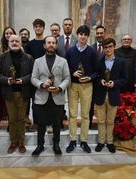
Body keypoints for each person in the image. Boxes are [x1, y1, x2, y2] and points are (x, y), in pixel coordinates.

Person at [31, 35, 71, 156]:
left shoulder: (63, 61)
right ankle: (40, 145)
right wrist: (42, 84)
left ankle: (56, 145)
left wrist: (60, 88)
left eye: (53, 43)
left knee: (57, 123)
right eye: (49, 42)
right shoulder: (37, 61)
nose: (51, 45)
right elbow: (33, 78)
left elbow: (67, 78)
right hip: (41, 96)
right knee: (41, 123)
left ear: (56, 45)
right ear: (44, 45)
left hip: (57, 97)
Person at [0, 35, 34, 154]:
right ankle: (13, 141)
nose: (15, 43)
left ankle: (21, 142)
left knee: (21, 119)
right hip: (9, 93)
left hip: (23, 92)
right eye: (12, 41)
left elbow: (33, 73)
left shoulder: (28, 58)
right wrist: (6, 80)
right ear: (8, 43)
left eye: (17, 41)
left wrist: (23, 80)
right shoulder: (2, 57)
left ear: (21, 43)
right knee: (12, 119)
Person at [65, 25, 98, 153]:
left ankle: (84, 141)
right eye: (81, 34)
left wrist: (89, 78)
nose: (83, 36)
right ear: (77, 35)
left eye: (85, 34)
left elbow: (97, 72)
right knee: (72, 114)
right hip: (73, 85)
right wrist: (72, 73)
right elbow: (65, 68)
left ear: (87, 37)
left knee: (85, 114)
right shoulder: (70, 51)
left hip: (87, 86)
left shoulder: (92, 52)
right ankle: (72, 140)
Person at [94, 38, 128, 153]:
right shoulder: (99, 61)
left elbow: (125, 79)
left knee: (110, 121)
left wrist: (115, 83)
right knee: (101, 121)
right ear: (103, 48)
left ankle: (109, 142)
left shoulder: (121, 62)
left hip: (113, 94)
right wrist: (100, 81)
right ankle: (100, 141)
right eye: (105, 47)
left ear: (114, 47)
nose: (108, 49)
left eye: (110, 47)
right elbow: (96, 77)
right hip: (100, 94)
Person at [25, 18, 46, 132]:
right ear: (33, 28)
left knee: (45, 101)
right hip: (33, 76)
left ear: (43, 28)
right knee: (34, 101)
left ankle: (45, 122)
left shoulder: (47, 42)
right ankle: (35, 122)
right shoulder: (29, 44)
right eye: (36, 26)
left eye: (40, 26)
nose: (38, 28)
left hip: (45, 76)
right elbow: (26, 61)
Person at [57, 18, 78, 128]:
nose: (68, 26)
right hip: (59, 76)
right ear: (63, 26)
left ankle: (72, 125)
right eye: (65, 24)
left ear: (72, 26)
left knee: (72, 102)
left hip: (73, 76)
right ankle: (59, 122)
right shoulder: (57, 40)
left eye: (70, 24)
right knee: (59, 100)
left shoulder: (77, 40)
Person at [0, 26, 16, 132]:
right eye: (6, 33)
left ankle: (13, 122)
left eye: (10, 33)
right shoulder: (0, 48)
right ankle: (9, 122)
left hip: (15, 78)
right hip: (4, 79)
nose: (8, 35)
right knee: (5, 102)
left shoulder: (17, 45)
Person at [89, 25, 106, 128]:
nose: (99, 35)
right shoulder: (90, 48)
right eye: (98, 33)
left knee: (103, 103)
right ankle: (90, 123)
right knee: (90, 104)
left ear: (104, 34)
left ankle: (102, 124)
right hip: (93, 80)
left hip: (104, 80)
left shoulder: (109, 47)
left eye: (101, 33)